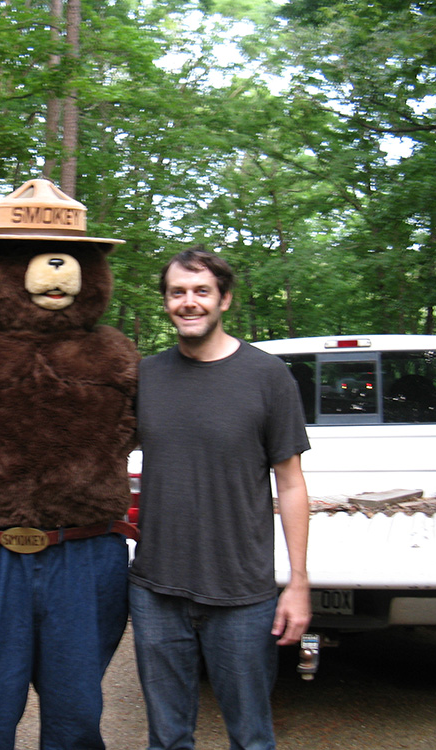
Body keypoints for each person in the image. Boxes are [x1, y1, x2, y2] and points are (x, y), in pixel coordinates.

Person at [129, 247, 311, 750]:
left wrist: (297, 582)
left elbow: (291, 483)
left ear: (224, 299)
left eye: (201, 291)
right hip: (155, 590)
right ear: (166, 302)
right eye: (177, 292)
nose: (189, 302)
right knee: (166, 739)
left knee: (251, 737)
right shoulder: (145, 376)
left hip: (242, 594)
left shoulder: (267, 376)